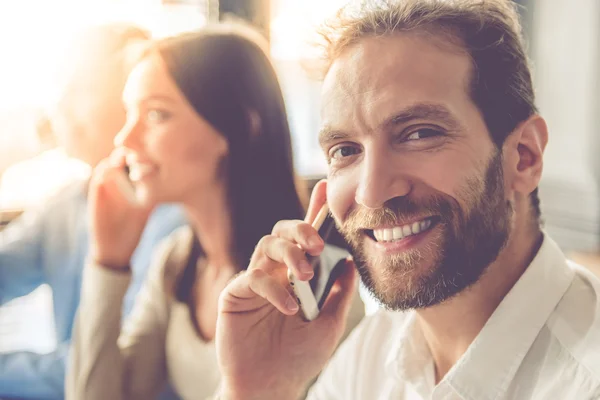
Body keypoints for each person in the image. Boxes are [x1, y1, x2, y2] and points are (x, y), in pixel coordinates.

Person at [215, 1, 600, 399]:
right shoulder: (370, 355)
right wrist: (261, 387)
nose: (371, 192)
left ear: (523, 157)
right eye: (345, 150)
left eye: (419, 133)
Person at [66, 24, 364, 400]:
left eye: (156, 115)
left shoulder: (313, 278)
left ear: (236, 126)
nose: (124, 139)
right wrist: (107, 265)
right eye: (129, 113)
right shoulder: (175, 262)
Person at [0, 24, 187, 400]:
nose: (60, 107)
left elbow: (111, 366)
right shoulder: (68, 203)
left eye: (77, 89)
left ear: (130, 95)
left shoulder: (178, 223)